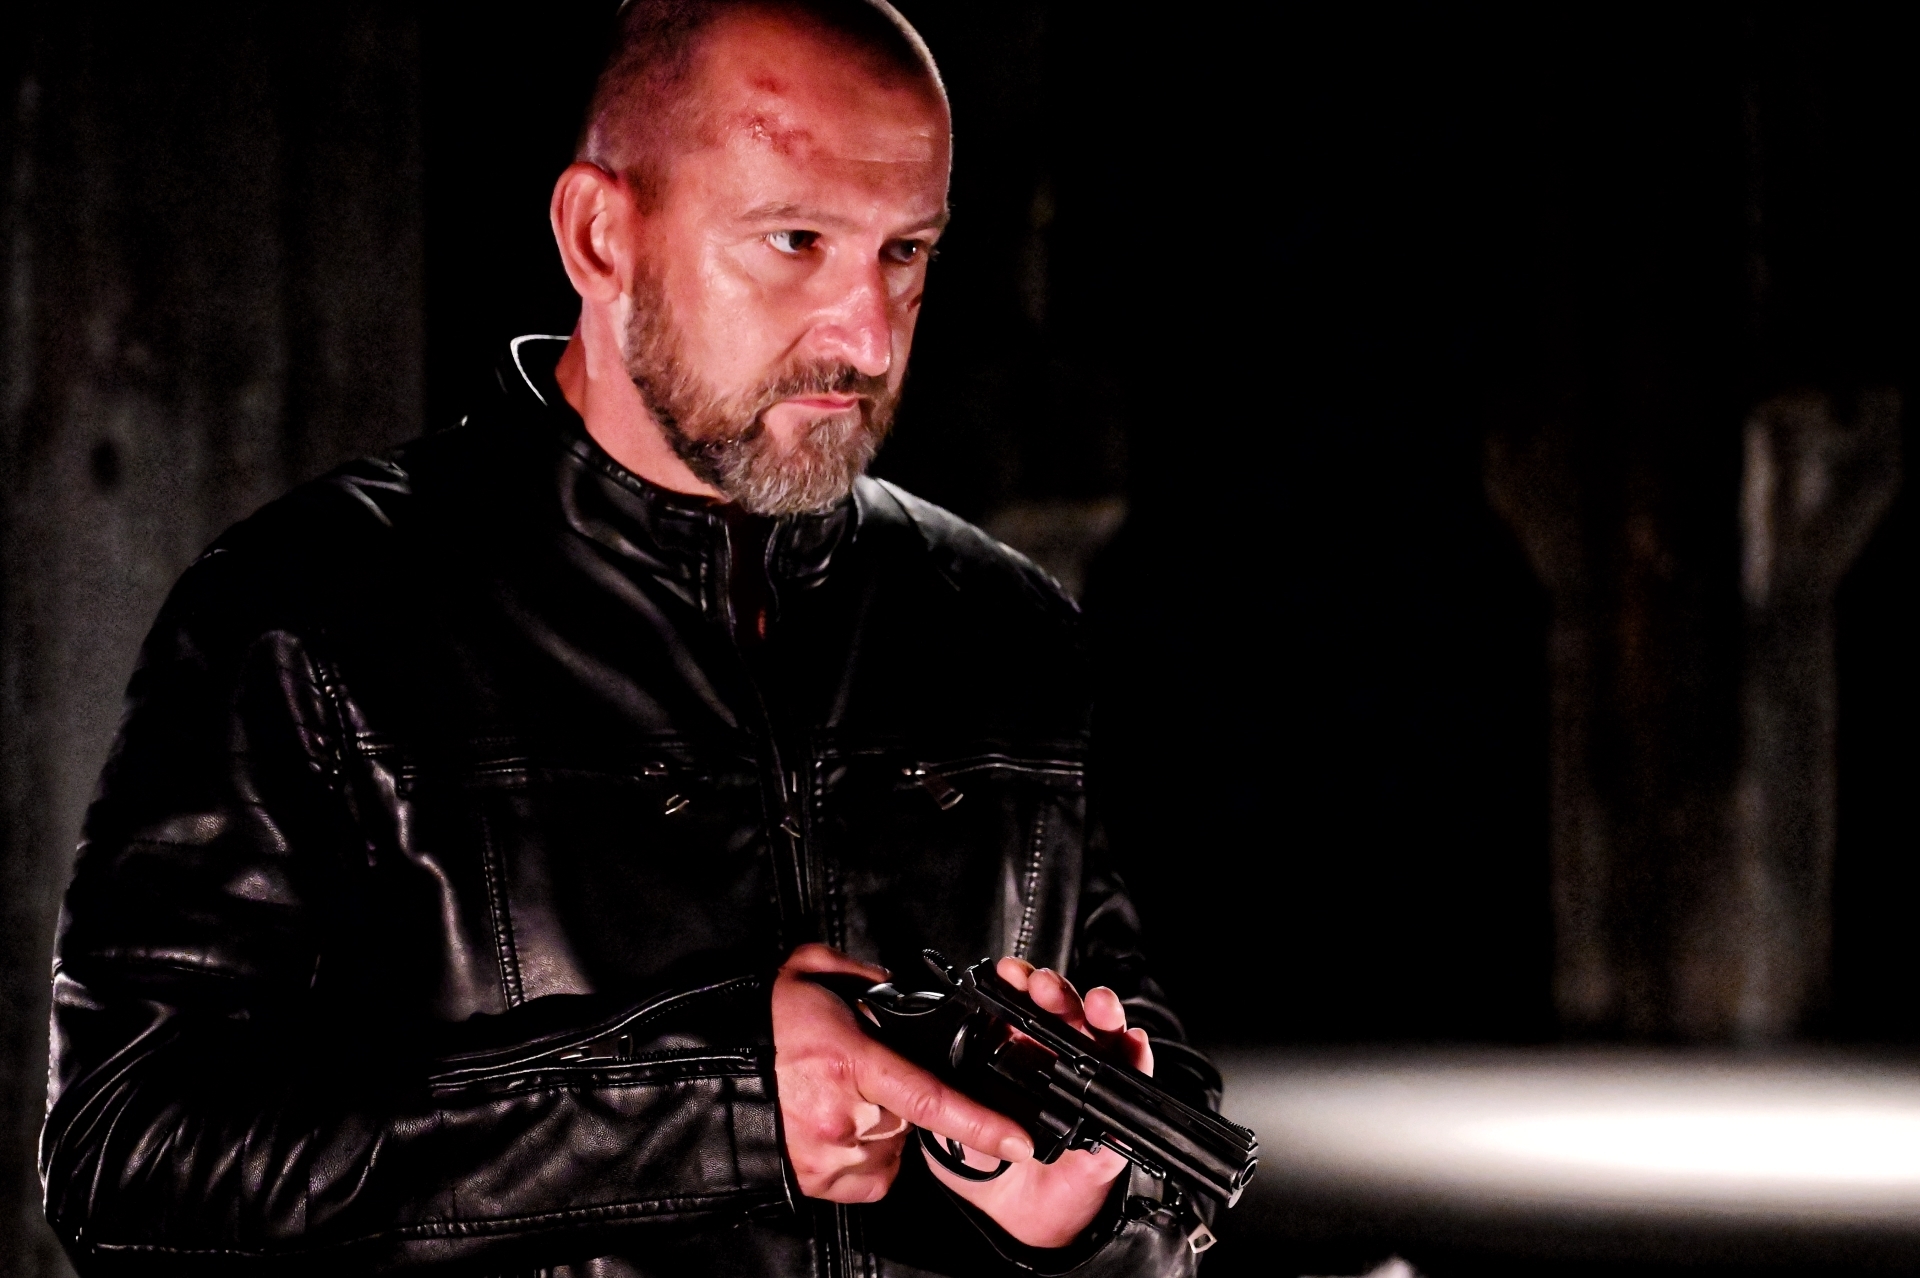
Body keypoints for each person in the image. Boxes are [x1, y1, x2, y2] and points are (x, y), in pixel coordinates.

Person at [41, 2, 1219, 1273]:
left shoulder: (1005, 627)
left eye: (904, 252)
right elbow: (127, 1164)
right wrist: (718, 1103)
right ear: (601, 236)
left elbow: (1167, 1151)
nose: (868, 336)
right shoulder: (310, 611)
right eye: (796, 241)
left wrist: (1087, 1216)